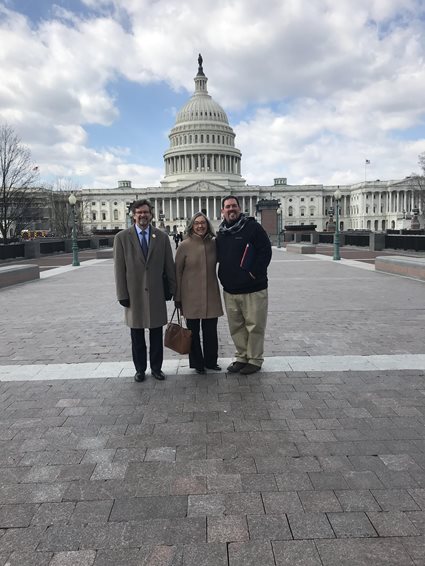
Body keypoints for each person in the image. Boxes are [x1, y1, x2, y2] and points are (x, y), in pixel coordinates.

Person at [114, 199, 176, 382]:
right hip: (134, 294)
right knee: (137, 335)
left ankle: (156, 368)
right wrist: (122, 295)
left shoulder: (162, 237)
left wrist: (172, 289)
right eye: (139, 212)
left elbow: (169, 266)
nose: (143, 215)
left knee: (156, 335)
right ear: (133, 215)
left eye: (146, 212)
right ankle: (140, 369)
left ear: (151, 215)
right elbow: (119, 270)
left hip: (156, 292)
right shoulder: (122, 238)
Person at [216, 196, 272, 375]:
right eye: (227, 207)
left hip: (253, 287)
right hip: (230, 289)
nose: (231, 209)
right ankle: (242, 356)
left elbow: (265, 251)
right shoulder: (222, 232)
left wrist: (253, 273)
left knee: (255, 325)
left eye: (234, 206)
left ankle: (254, 359)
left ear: (239, 208)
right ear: (222, 211)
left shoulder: (252, 227)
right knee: (236, 326)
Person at [174, 212, 223, 374]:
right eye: (197, 223)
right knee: (192, 332)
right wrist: (178, 297)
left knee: (211, 332)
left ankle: (211, 361)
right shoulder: (184, 245)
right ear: (192, 226)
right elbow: (177, 273)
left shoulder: (214, 244)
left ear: (208, 225)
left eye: (203, 223)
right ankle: (197, 363)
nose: (200, 226)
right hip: (190, 296)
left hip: (210, 294)